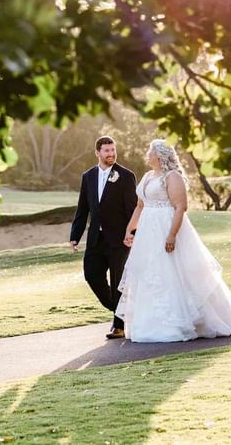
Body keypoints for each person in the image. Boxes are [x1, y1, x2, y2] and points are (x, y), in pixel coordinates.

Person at [116, 139, 231, 342]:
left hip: (166, 227)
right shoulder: (148, 176)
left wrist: (171, 235)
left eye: (149, 151)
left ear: (159, 155)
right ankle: (151, 323)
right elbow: (140, 206)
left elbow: (180, 207)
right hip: (147, 234)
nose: (147, 154)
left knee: (172, 272)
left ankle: (181, 322)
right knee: (150, 274)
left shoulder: (172, 177)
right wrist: (130, 228)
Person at [70, 135, 138, 339]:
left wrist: (132, 233)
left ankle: (119, 326)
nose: (111, 154)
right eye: (107, 150)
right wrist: (75, 235)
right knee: (91, 275)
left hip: (119, 239)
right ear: (97, 153)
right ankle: (118, 309)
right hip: (95, 239)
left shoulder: (126, 176)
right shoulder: (88, 176)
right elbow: (83, 209)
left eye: (113, 150)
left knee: (118, 280)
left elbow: (133, 208)